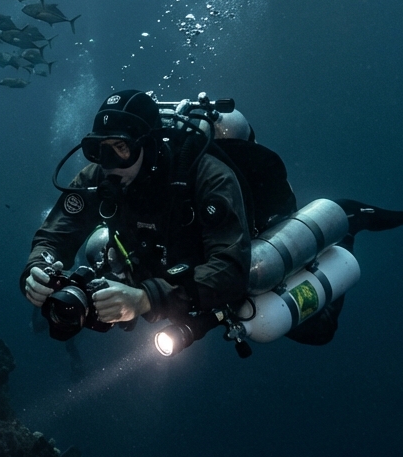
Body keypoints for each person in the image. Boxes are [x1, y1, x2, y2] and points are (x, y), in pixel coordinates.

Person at [21, 89, 252, 328]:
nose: (108, 163)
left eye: (121, 147)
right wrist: (38, 268)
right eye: (98, 149)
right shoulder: (96, 177)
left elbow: (231, 270)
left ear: (148, 146)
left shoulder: (207, 177)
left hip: (196, 277)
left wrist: (146, 299)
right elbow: (54, 235)